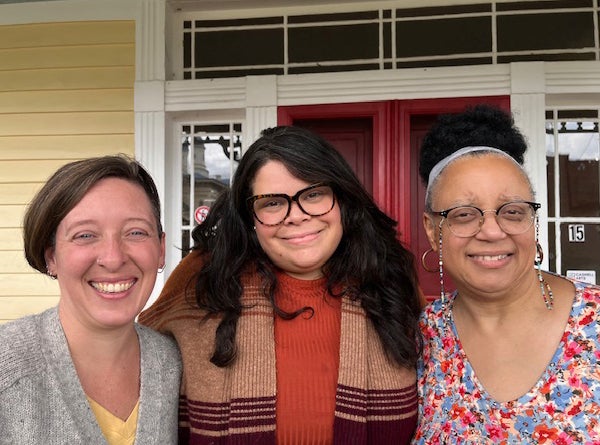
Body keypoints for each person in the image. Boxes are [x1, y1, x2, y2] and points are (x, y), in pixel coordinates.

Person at [139, 125, 423, 444]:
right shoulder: (205, 278)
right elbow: (136, 360)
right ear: (250, 218)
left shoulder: (390, 279)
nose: (296, 216)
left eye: (313, 194)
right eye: (272, 203)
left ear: (342, 200)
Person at [413, 105, 600, 443]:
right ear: (432, 229)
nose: (492, 231)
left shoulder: (594, 321)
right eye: (464, 215)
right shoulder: (423, 339)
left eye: (512, 212)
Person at [0, 155, 182, 444]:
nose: (113, 258)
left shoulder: (176, 365)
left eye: (136, 232)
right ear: (51, 257)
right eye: (85, 235)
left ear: (160, 249)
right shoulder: (6, 366)